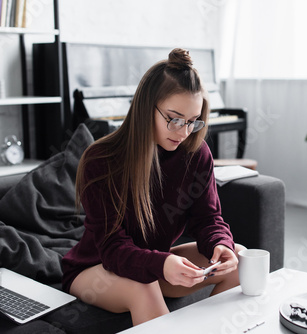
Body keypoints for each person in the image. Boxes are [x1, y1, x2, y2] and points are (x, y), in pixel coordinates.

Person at [61, 48, 245, 326]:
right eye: (174, 119)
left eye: (193, 122)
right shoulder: (101, 160)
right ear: (146, 107)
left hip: (151, 261)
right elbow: (112, 248)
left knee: (239, 259)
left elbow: (209, 218)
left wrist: (222, 244)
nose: (183, 132)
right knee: (142, 285)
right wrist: (160, 265)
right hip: (96, 267)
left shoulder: (197, 153)